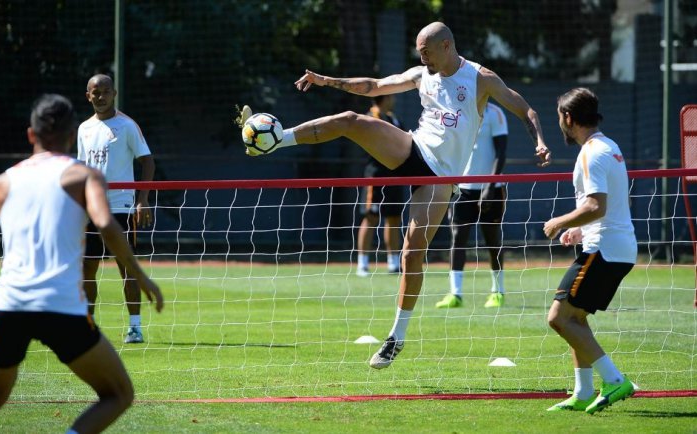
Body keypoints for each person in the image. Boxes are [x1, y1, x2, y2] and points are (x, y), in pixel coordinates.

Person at [238, 22, 551, 369]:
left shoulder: (482, 78)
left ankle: (395, 338)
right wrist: (328, 80)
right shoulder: (422, 74)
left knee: (411, 253)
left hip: (442, 177)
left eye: (426, 51)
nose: (422, 58)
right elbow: (374, 87)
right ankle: (278, 139)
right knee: (350, 120)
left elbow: (527, 110)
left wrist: (539, 139)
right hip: (411, 148)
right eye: (419, 52)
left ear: (446, 46)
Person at [0, 94, 164, 433]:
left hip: (10, 306)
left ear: (30, 135)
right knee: (118, 393)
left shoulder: (2, 183)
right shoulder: (83, 176)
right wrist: (141, 276)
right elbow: (108, 225)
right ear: (72, 136)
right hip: (62, 307)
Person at [543, 88, 636, 413]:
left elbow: (596, 205)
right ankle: (583, 391)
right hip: (615, 246)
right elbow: (608, 206)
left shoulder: (591, 153)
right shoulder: (610, 147)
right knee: (576, 316)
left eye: (560, 118)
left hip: (605, 249)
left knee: (558, 318)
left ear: (568, 118)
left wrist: (559, 221)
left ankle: (613, 379)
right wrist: (579, 229)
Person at [78, 74, 155, 344]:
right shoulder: (84, 129)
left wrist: (142, 200)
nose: (100, 96)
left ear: (114, 94)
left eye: (105, 91)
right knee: (87, 269)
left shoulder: (127, 125)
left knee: (126, 267)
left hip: (121, 207)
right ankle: (86, 327)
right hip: (90, 209)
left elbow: (147, 161)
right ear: (88, 95)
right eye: (95, 92)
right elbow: (80, 169)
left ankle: (135, 327)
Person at [435, 102, 508, 309]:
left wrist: (490, 185)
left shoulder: (496, 113)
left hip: (491, 189)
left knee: (492, 239)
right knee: (458, 238)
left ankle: (498, 291)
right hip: (463, 189)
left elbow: (501, 152)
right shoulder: (457, 111)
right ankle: (455, 294)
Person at [356, 95, 406, 277]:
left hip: (395, 176)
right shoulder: (370, 117)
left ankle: (393, 263)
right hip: (376, 176)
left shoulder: (394, 119)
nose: (394, 98)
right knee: (371, 217)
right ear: (384, 97)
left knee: (393, 218)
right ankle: (362, 264)